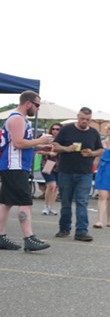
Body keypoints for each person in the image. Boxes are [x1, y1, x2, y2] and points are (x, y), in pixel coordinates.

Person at [0, 91, 54, 251]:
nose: (38, 108)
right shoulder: (17, 118)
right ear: (28, 103)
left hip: (14, 165)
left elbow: (19, 143)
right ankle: (29, 238)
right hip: (14, 165)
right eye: (37, 105)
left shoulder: (20, 118)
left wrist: (39, 147)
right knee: (25, 202)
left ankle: (1, 236)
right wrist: (40, 140)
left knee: (6, 202)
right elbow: (18, 143)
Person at [51, 107, 103, 241]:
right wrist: (66, 148)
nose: (84, 121)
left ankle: (81, 231)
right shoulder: (67, 129)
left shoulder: (94, 133)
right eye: (82, 118)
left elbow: (101, 150)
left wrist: (92, 153)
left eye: (87, 119)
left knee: (82, 202)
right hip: (66, 171)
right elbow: (55, 145)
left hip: (85, 172)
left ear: (90, 119)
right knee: (66, 202)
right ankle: (64, 228)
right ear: (78, 117)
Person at [39, 123, 62, 215]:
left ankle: (50, 206)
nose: (55, 131)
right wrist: (48, 153)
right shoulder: (47, 139)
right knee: (51, 185)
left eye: (57, 129)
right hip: (48, 164)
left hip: (59, 165)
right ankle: (46, 206)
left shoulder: (63, 140)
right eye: (53, 129)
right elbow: (38, 150)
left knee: (56, 187)